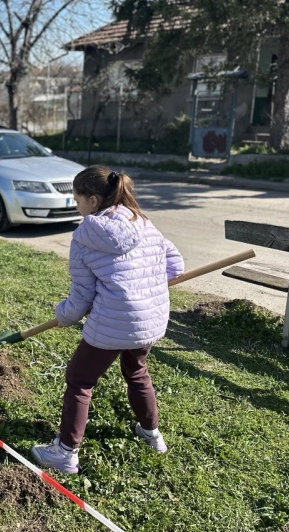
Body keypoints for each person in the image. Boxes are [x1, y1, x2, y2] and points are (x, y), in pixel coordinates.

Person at [31, 165, 184, 473]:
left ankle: (65, 452)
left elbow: (80, 302)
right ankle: (152, 434)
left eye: (76, 200)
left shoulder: (85, 234)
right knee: (137, 371)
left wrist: (62, 314)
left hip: (114, 321)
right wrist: (145, 287)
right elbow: (176, 265)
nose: (77, 208)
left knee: (79, 379)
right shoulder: (143, 221)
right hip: (150, 321)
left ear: (92, 201)